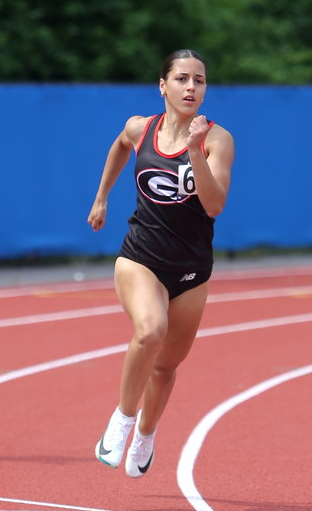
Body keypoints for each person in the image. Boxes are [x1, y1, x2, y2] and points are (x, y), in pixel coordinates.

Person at [87, 48, 234, 478]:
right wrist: (101, 197)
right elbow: (120, 145)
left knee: (166, 368)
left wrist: (194, 152)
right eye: (182, 79)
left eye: (199, 81)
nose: (191, 87)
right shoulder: (141, 128)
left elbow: (214, 205)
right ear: (163, 86)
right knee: (150, 331)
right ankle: (122, 419)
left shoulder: (218, 140)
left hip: (191, 270)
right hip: (141, 257)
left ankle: (146, 434)